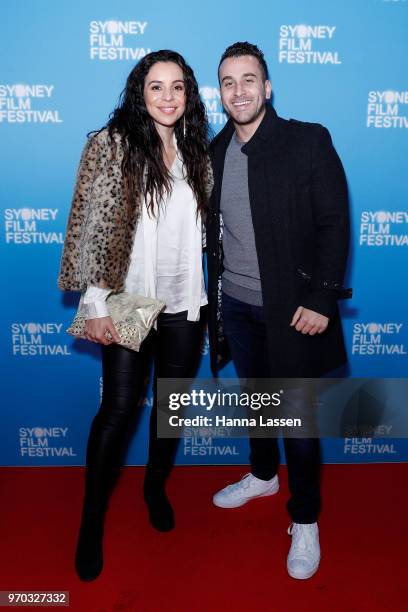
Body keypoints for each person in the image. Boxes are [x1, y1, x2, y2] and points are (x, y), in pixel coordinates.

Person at [58, 50, 212, 581]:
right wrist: (95, 303)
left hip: (185, 301)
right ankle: (91, 521)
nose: (167, 97)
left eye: (177, 87)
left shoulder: (198, 150)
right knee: (118, 412)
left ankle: (153, 488)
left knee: (170, 409)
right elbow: (94, 227)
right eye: (156, 87)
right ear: (138, 92)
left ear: (188, 95)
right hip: (127, 299)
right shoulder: (112, 144)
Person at [206, 42, 350, 580]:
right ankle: (264, 475)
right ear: (219, 92)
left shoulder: (306, 141)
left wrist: (321, 298)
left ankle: (306, 517)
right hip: (238, 308)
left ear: (267, 87)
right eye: (228, 81)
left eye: (249, 79)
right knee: (258, 404)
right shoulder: (214, 152)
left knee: (299, 419)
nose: (238, 90)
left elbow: (335, 222)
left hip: (294, 313)